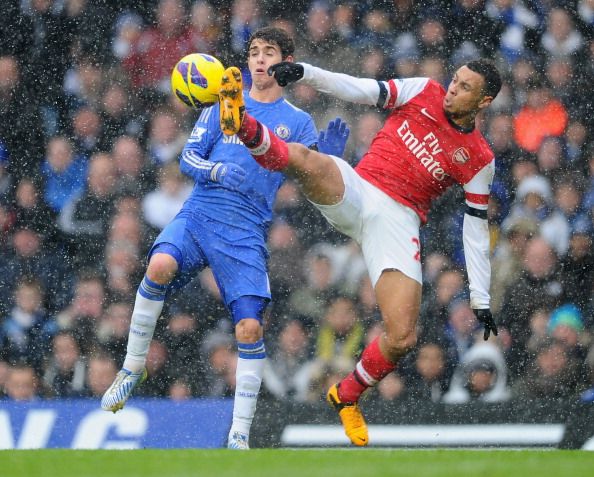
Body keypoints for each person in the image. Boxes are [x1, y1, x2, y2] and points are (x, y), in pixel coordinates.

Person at [218, 56, 501, 446]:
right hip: (359, 189)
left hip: (398, 222)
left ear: (484, 102)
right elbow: (362, 88)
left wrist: (480, 297)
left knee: (402, 337)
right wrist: (307, 72)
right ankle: (243, 124)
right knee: (304, 159)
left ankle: (346, 395)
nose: (453, 88)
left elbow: (475, 227)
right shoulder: (424, 90)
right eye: (455, 80)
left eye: (466, 87)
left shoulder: (480, 159)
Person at [100, 26, 349, 450]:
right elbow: (189, 157)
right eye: (254, 51)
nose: (258, 59)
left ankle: (239, 435)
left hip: (245, 230)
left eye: (269, 52)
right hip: (201, 212)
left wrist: (330, 161)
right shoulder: (223, 103)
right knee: (158, 265)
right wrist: (215, 171)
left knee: (250, 328)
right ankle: (132, 367)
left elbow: (312, 183)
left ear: (285, 63)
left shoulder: (298, 122)